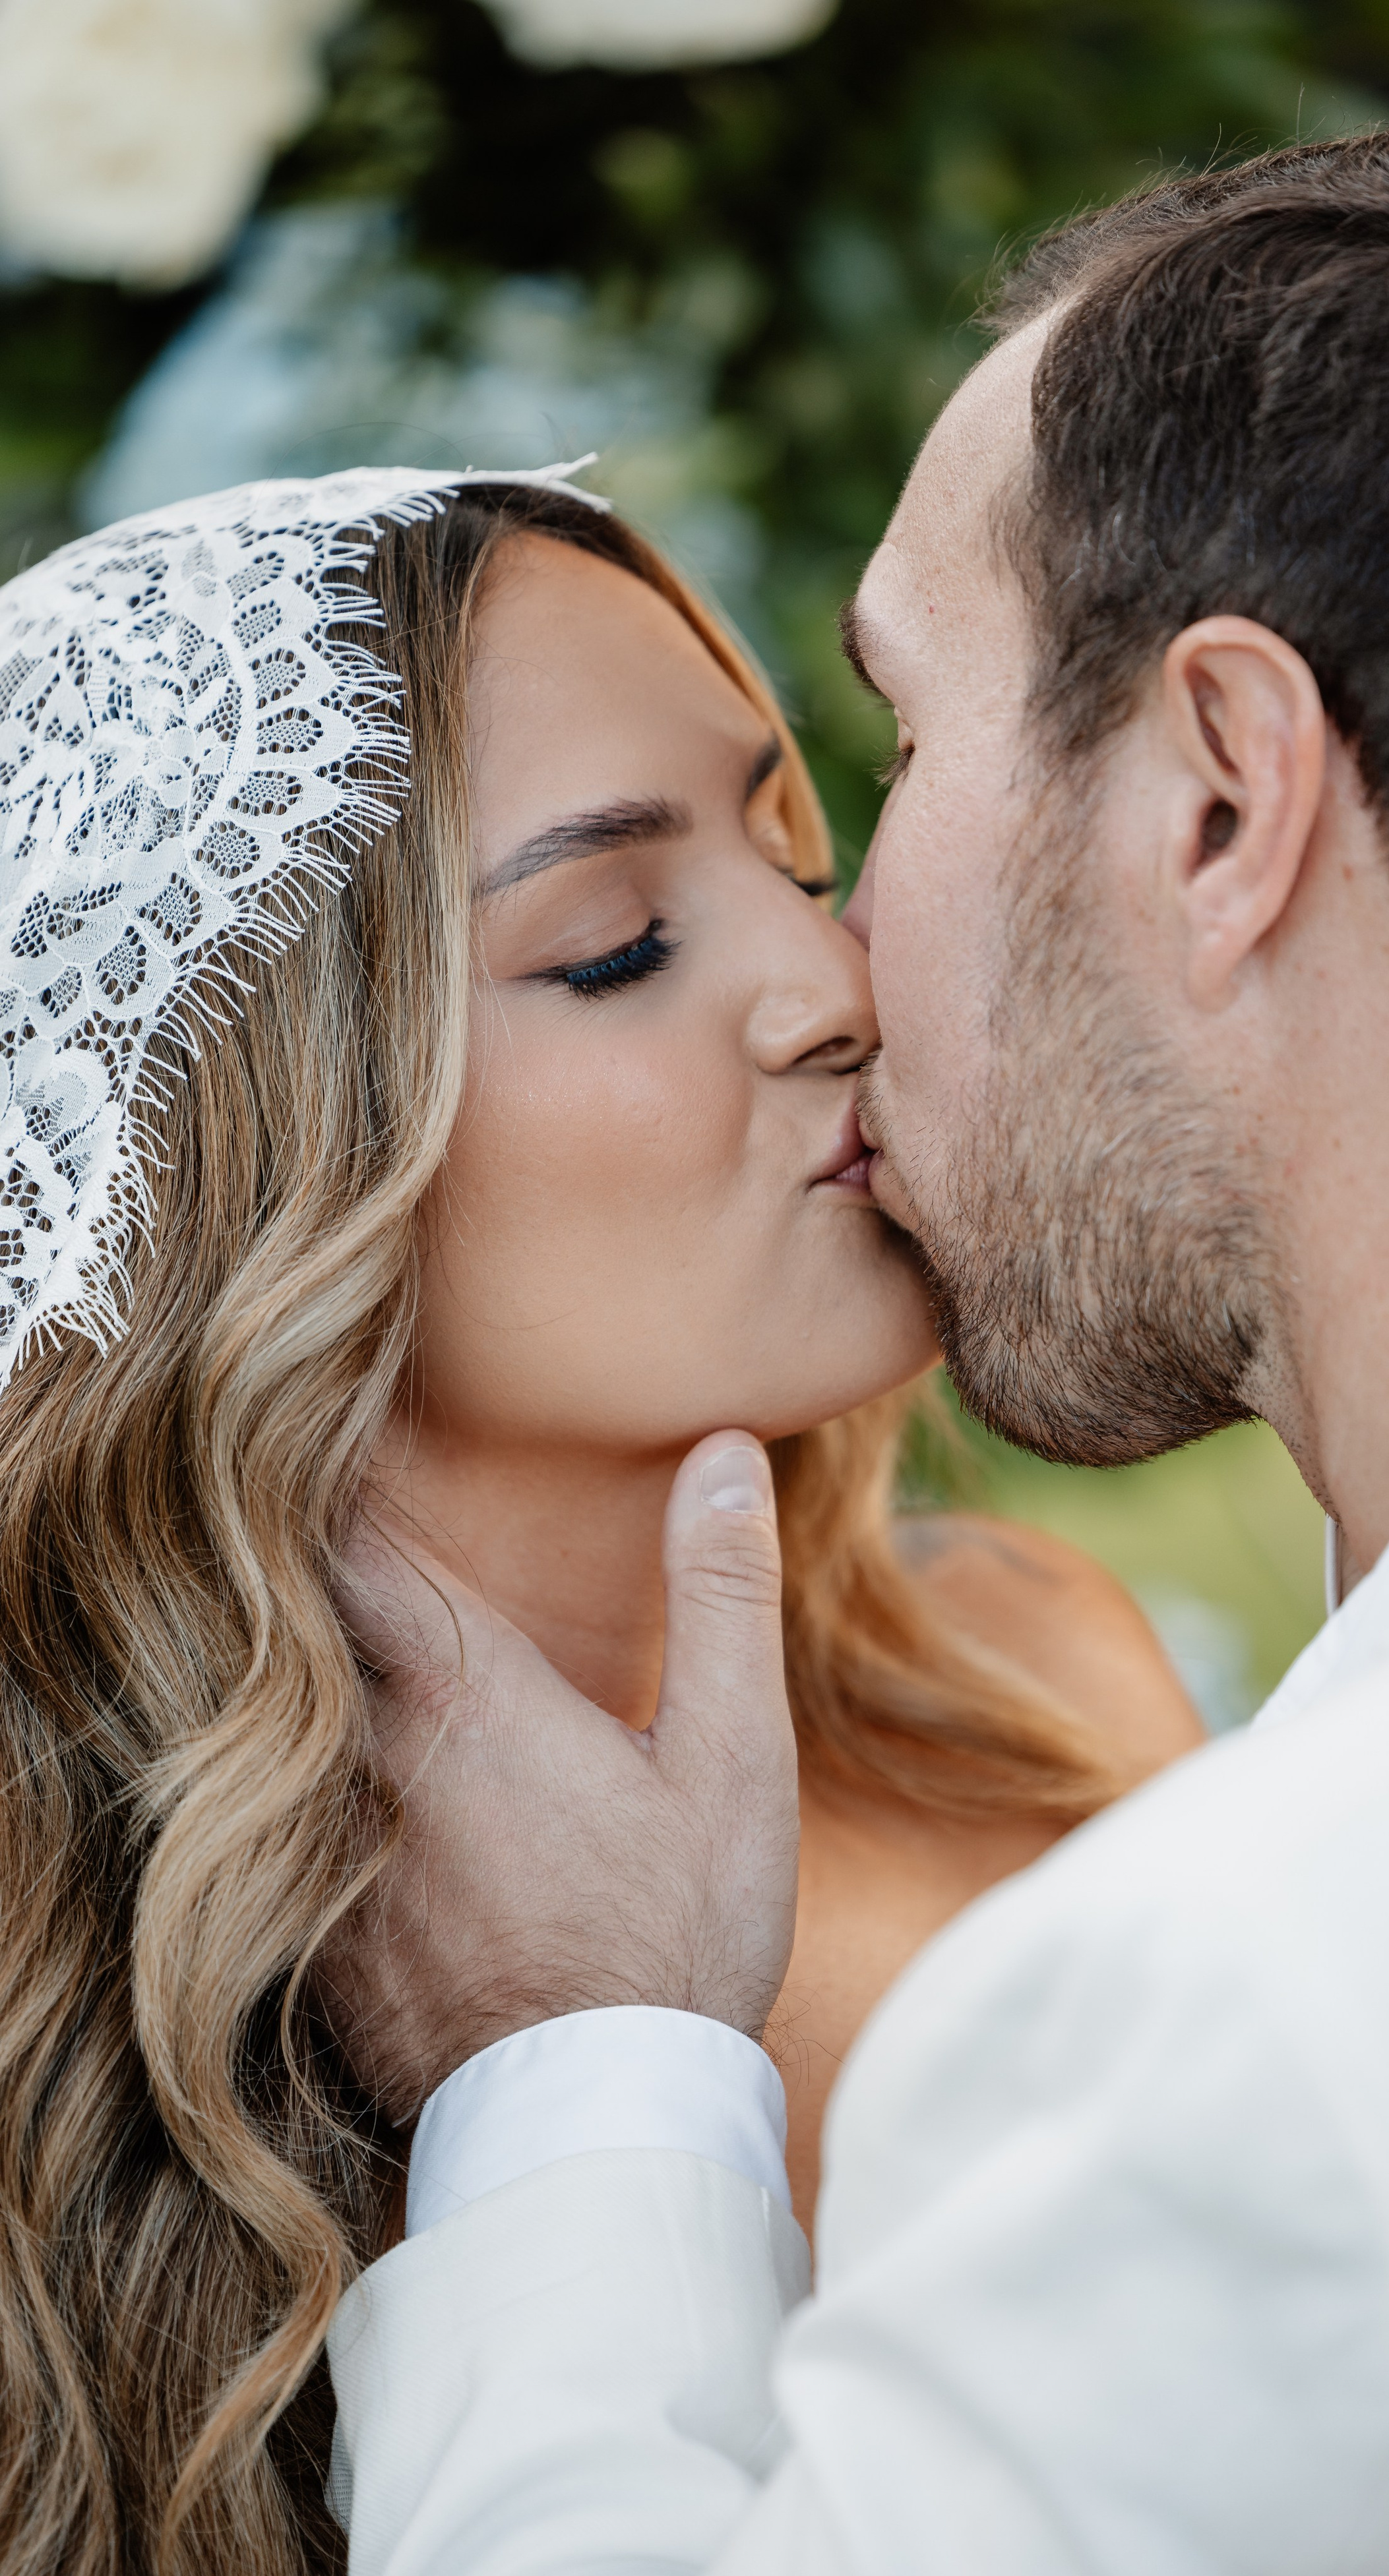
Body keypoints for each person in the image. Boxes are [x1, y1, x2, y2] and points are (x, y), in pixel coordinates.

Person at [322, 121, 1389, 2576]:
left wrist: (569, 2090)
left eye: (896, 761)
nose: (835, 970)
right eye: (627, 933)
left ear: (1220, 806)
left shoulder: (1278, 2015)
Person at [0, 464, 1197, 2573]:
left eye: (798, 846)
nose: (836, 982)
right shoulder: (75, 2054)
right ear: (263, 1173)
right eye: (617, 942)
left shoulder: (1028, 1678)